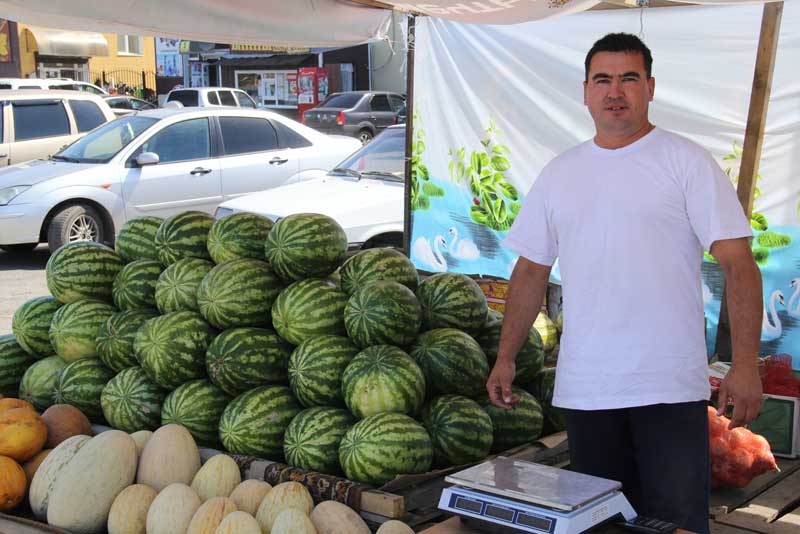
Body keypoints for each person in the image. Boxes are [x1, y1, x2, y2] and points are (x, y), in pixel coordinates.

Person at [487, 33, 763, 534]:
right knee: (600, 525)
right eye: (603, 80)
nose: (616, 91)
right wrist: (506, 356)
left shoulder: (686, 162)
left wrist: (745, 364)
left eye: (629, 78)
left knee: (675, 524)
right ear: (586, 91)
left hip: (668, 386)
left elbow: (739, 264)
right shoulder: (560, 173)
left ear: (650, 87)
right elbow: (530, 271)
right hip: (587, 389)